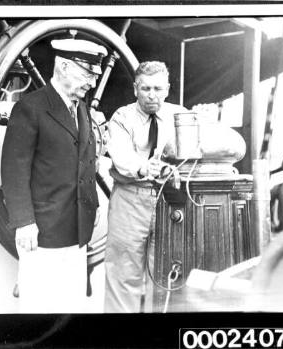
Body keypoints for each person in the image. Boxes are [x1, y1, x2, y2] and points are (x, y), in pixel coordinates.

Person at [1, 38, 107, 313]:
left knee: (70, 308)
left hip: (78, 230)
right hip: (42, 233)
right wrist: (24, 222)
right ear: (62, 66)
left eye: (94, 76)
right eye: (87, 74)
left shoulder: (81, 110)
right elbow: (14, 170)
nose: (92, 83)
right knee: (39, 311)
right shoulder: (30, 108)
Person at [104, 61, 188, 313]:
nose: (152, 95)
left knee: (165, 276)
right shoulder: (122, 117)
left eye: (158, 88)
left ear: (168, 89)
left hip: (168, 203)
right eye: (146, 88)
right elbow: (120, 155)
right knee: (123, 277)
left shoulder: (180, 116)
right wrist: (144, 167)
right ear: (135, 89)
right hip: (130, 200)